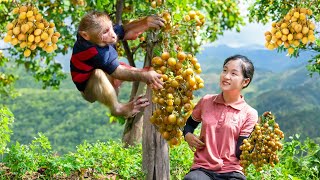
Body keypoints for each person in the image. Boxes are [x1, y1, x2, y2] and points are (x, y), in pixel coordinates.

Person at [70, 11, 165, 118]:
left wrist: (145, 22)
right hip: (90, 89)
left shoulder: (98, 35)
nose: (113, 35)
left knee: (121, 64)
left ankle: (128, 80)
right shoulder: (93, 51)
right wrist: (145, 76)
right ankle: (117, 109)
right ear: (85, 35)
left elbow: (124, 30)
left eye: (110, 27)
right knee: (99, 73)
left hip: (107, 79)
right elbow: (118, 71)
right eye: (105, 32)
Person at [183, 55, 258, 180]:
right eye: (225, 70)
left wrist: (256, 143)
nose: (226, 76)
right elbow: (189, 125)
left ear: (245, 82)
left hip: (231, 171)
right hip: (203, 169)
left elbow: (240, 153)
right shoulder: (206, 101)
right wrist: (187, 135)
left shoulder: (249, 113)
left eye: (233, 73)